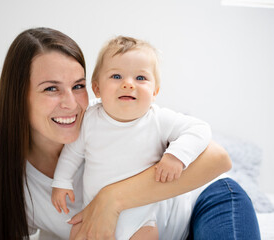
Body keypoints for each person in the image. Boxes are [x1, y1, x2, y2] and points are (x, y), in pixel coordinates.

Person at [0, 27, 260, 240]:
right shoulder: (18, 190)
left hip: (206, 201)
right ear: (18, 97)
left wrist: (112, 199)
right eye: (51, 88)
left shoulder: (112, 118)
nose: (72, 103)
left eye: (78, 85)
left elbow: (220, 159)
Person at [51, 36, 212, 240]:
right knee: (77, 233)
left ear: (155, 92)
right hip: (94, 212)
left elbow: (200, 129)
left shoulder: (158, 119)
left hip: (141, 217)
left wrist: (176, 156)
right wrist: (62, 181)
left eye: (140, 78)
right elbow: (72, 152)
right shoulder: (90, 117)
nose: (128, 84)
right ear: (97, 88)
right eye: (116, 76)